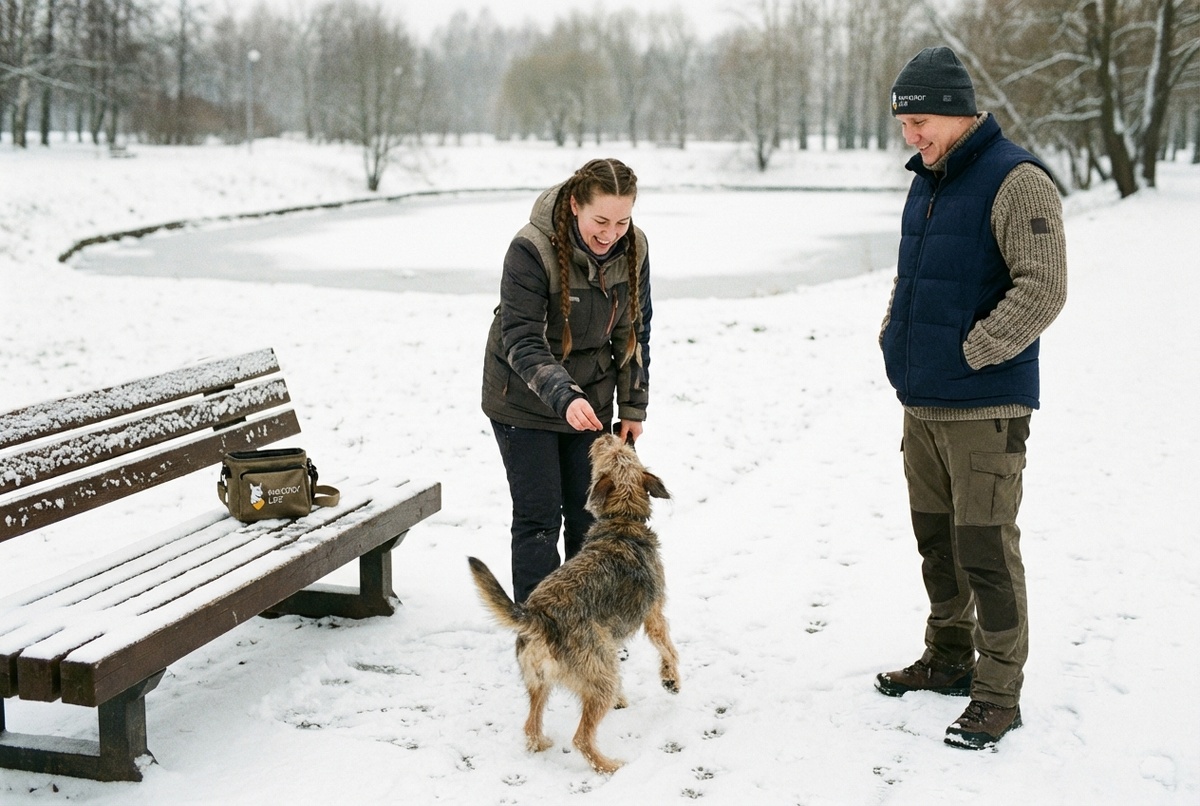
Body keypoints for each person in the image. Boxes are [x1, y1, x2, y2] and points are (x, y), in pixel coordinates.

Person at [875, 46, 1068, 750]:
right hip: (921, 404)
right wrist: (894, 335)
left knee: (985, 549)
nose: (910, 136)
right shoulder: (928, 180)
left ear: (958, 112)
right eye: (904, 125)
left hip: (984, 410)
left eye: (919, 121)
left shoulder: (1016, 180)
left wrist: (972, 352)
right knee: (937, 543)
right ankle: (949, 659)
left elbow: (1043, 287)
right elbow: (914, 278)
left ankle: (998, 693)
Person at [481, 158, 652, 604]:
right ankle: (540, 629)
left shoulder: (635, 248)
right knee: (539, 518)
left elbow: (634, 331)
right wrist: (563, 395)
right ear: (575, 205)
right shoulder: (531, 249)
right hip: (522, 397)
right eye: (600, 220)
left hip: (591, 399)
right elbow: (521, 338)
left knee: (588, 516)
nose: (610, 233)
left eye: (622, 221)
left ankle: (588, 620)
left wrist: (632, 407)